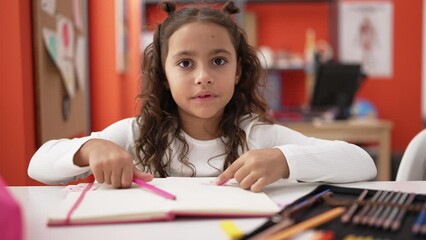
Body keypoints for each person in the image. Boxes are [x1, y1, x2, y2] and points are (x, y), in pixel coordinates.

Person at [28, 1, 377, 192]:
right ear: (163, 76)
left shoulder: (261, 136)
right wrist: (89, 149)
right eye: (184, 63)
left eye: (219, 61)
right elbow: (38, 167)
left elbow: (363, 163)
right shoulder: (135, 134)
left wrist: (285, 161)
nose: (203, 76)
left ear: (239, 71)